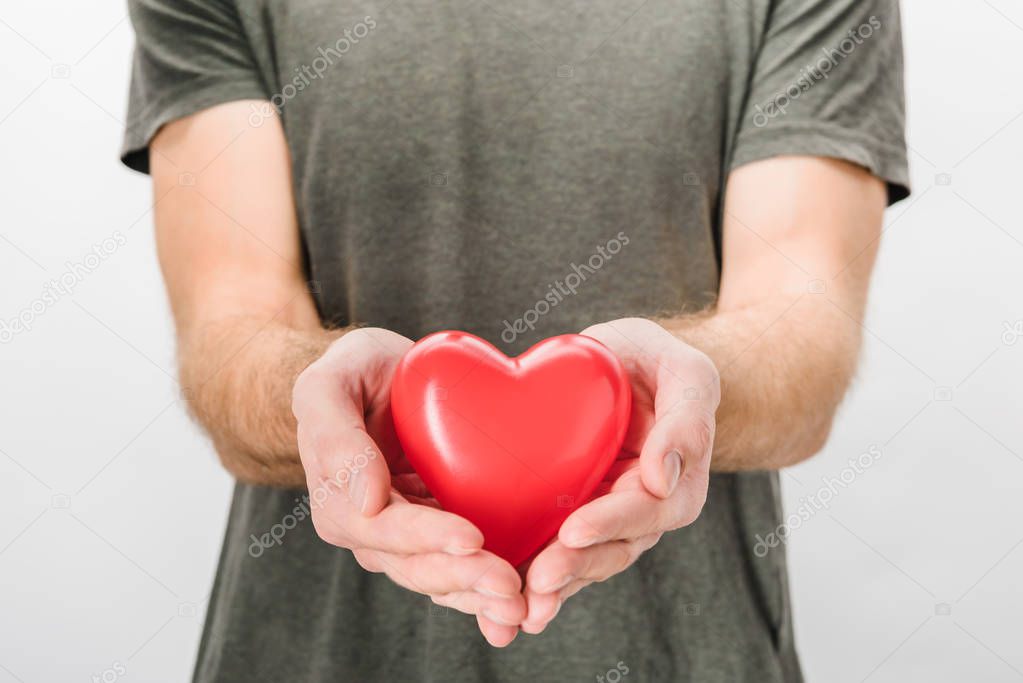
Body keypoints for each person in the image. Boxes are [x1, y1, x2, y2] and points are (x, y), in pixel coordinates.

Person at [121, 0, 909, 680]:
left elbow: (802, 329)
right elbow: (228, 321)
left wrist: (678, 394)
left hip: (691, 652)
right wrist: (329, 398)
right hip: (303, 654)